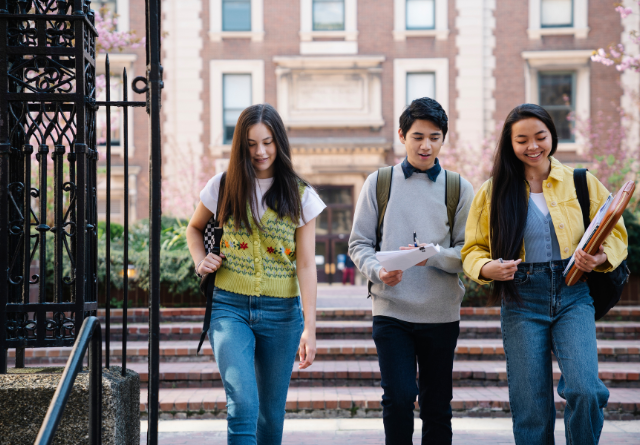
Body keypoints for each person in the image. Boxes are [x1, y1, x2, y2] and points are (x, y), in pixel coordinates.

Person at [461, 103, 628, 445]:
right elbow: (472, 249)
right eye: (522, 140)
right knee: (531, 408)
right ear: (510, 144)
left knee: (585, 390)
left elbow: (617, 233)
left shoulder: (581, 181)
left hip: (573, 293)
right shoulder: (492, 192)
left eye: (540, 136)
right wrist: (486, 267)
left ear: (552, 134)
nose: (533, 145)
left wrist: (598, 258)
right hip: (521, 298)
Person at [186, 103, 326, 445]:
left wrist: (311, 326)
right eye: (251, 144)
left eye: (267, 142)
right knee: (243, 405)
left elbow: (306, 265)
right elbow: (194, 228)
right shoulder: (223, 186)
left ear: (279, 142)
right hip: (229, 308)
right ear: (240, 145)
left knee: (270, 417)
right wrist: (200, 261)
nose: (260, 151)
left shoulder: (301, 195)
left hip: (283, 315)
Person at [349, 97, 474, 444]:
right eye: (417, 136)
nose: (426, 145)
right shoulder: (379, 183)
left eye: (434, 137)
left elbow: (470, 252)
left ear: (443, 139)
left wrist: (431, 256)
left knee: (437, 405)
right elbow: (358, 244)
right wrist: (378, 270)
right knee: (400, 397)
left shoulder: (458, 187)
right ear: (402, 136)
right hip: (392, 311)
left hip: (441, 313)